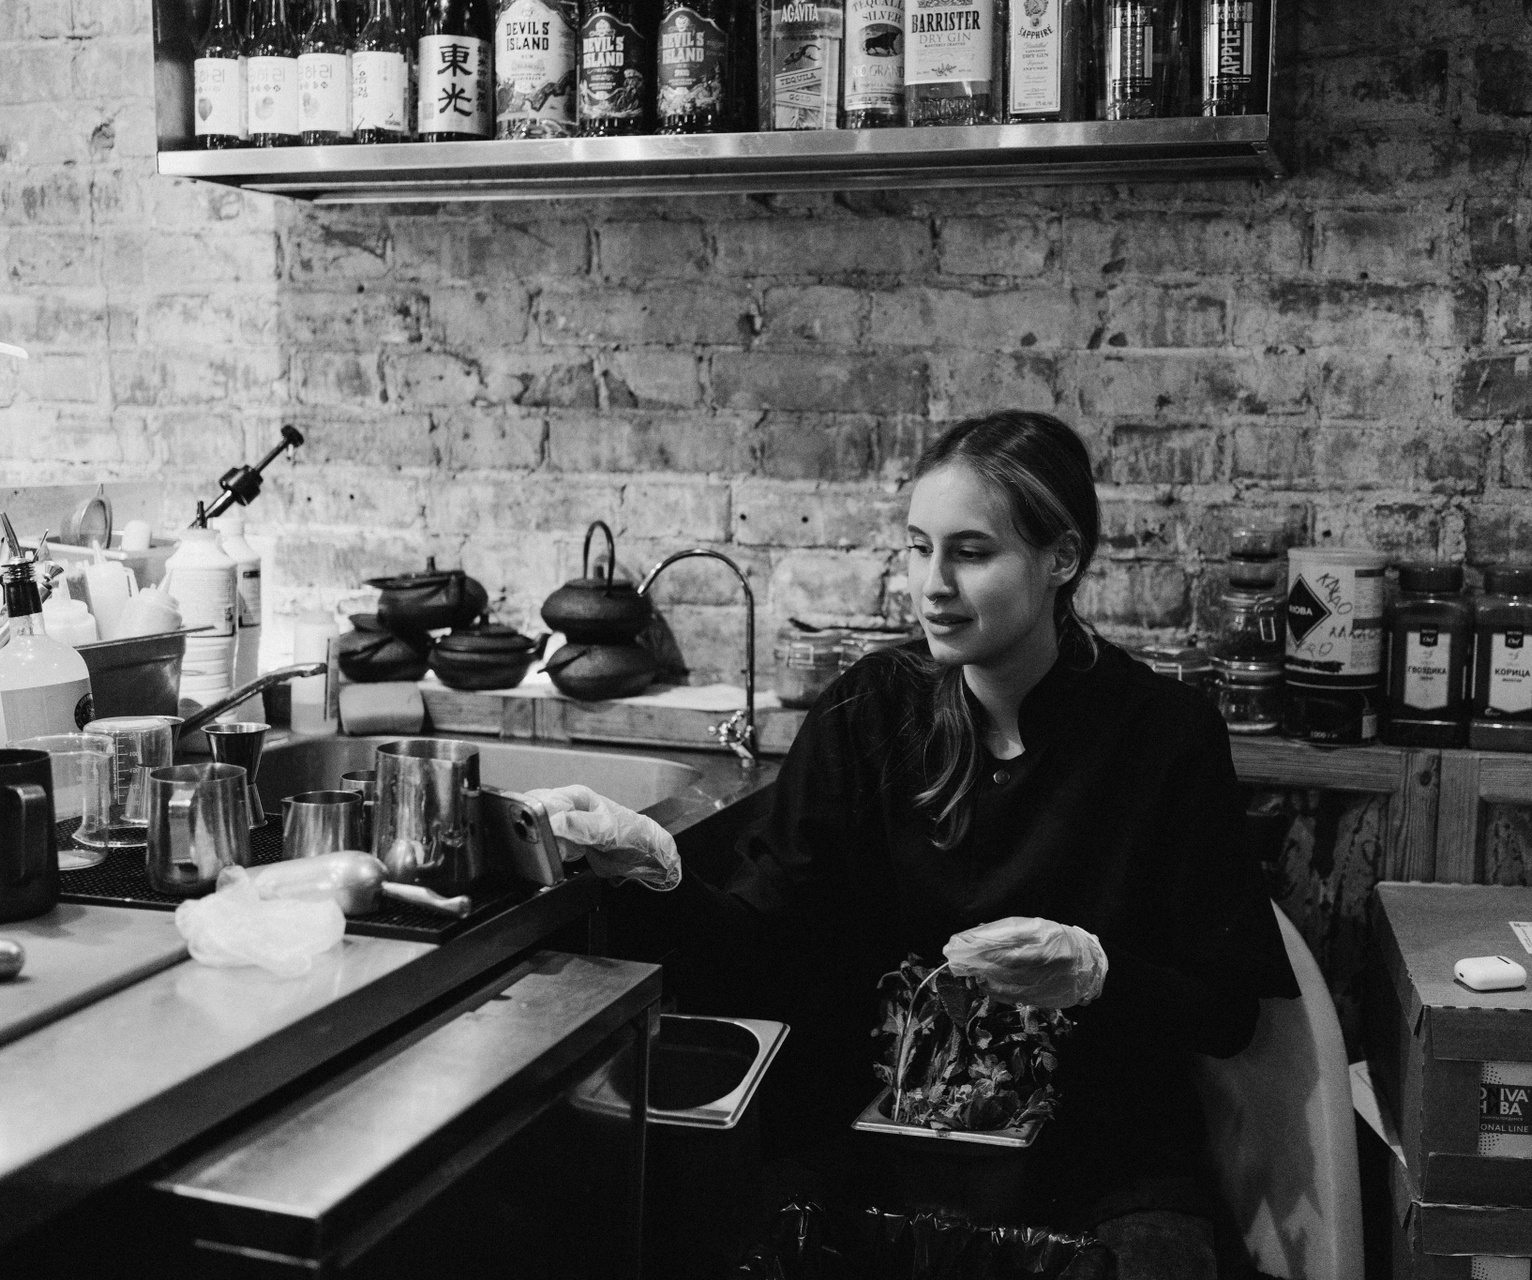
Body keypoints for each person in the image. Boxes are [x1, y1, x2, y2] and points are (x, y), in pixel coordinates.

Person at [543, 410, 1297, 1279]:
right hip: (877, 1149)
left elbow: (1226, 1012)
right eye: (917, 548)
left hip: (1104, 1162)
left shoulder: (1162, 735)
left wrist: (1097, 973)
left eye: (971, 553)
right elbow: (761, 951)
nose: (931, 585)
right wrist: (657, 874)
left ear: (1061, 557)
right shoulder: (869, 714)